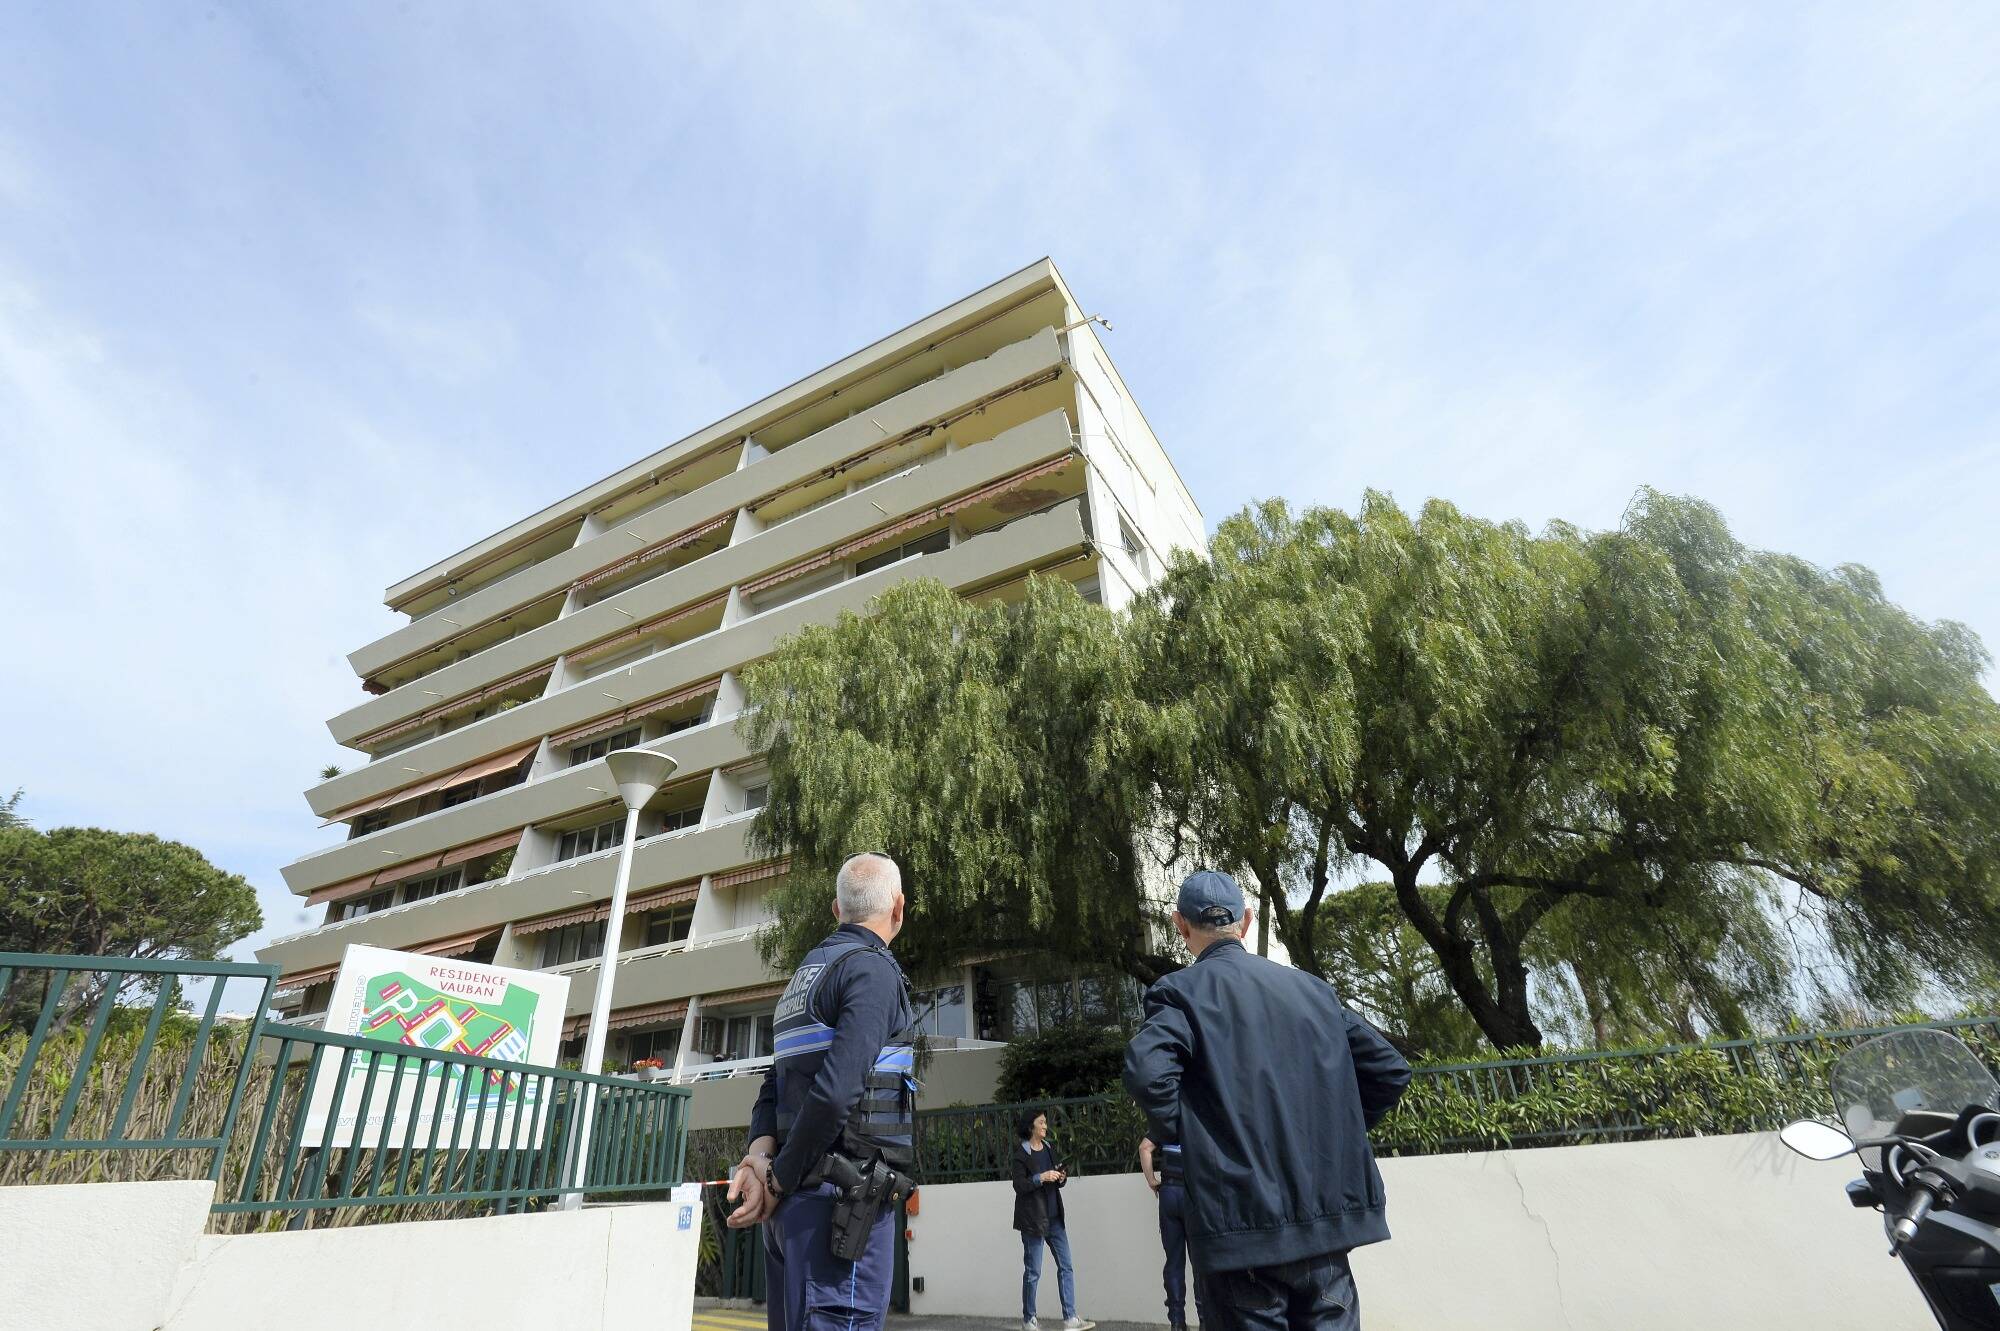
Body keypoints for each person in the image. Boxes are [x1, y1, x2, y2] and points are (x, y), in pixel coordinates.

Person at [1124, 870, 1412, 1331]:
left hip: (1240, 1234)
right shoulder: (1314, 991)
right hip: (1325, 1233)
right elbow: (1389, 1071)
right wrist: (1333, 1138)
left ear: (1181, 925)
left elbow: (1147, 1073)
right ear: (1246, 920)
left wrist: (1185, 1139)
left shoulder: (1178, 993)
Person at [725, 853, 919, 1331]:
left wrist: (759, 1159)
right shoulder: (871, 971)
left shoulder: (807, 975)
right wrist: (775, 1178)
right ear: (899, 907)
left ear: (837, 909)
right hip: (839, 1213)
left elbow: (775, 1081)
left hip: (795, 1215)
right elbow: (836, 1094)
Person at [1011, 1108, 1094, 1331]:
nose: (1046, 1126)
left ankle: (1070, 1318)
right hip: (1033, 1222)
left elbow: (1055, 1181)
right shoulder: (1021, 1154)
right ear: (1031, 1127)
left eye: (1045, 1123)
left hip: (1055, 1218)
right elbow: (1019, 1185)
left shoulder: (1049, 1148)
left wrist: (1060, 1177)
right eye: (1042, 1123)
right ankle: (1029, 1320)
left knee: (1066, 1266)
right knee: (1033, 1272)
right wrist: (1041, 1177)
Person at [1140, 1135, 1205, 1331]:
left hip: (1168, 1193)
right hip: (1193, 1194)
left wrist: (1152, 1181)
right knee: (1201, 1262)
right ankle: (1205, 1320)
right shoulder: (1197, 1117)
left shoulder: (1165, 1120)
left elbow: (1144, 1147)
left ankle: (1177, 1322)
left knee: (1174, 1262)